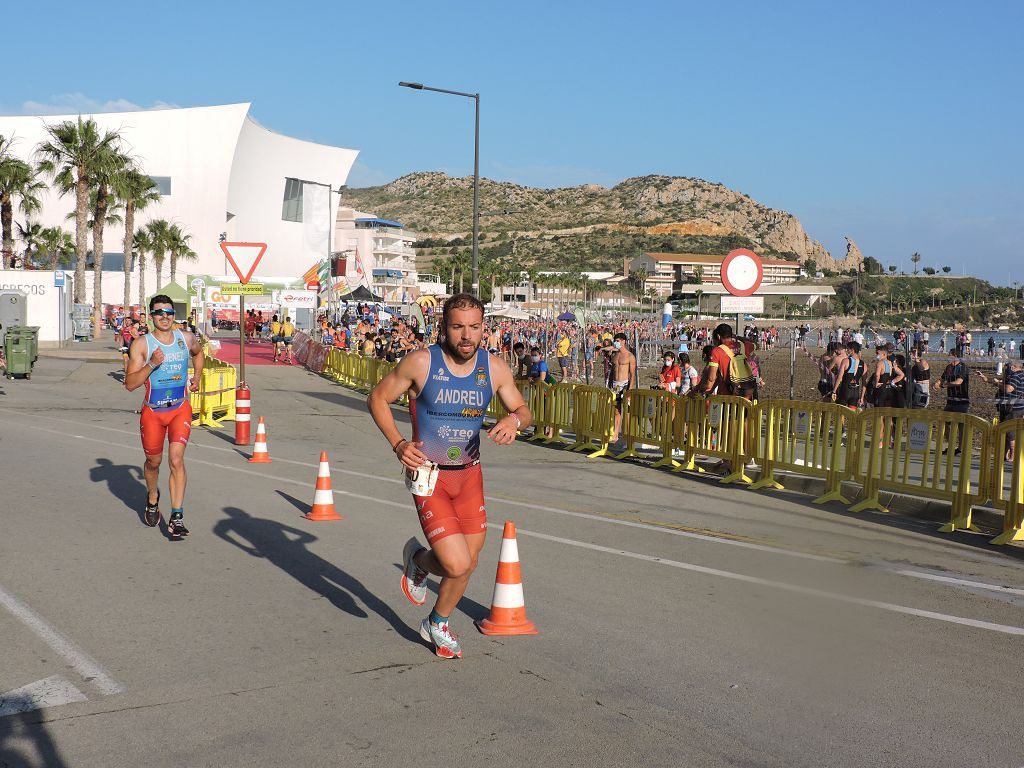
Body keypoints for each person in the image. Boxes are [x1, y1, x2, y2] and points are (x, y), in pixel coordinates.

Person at [366, 294, 532, 659]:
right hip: (430, 477)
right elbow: (377, 398)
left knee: (467, 563)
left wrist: (514, 420)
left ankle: (436, 620)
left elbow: (523, 408)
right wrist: (397, 444)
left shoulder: (495, 367)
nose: (467, 336)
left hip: (470, 477)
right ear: (444, 327)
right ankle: (421, 562)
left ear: (484, 328)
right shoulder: (422, 362)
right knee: (456, 563)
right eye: (458, 327)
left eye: (474, 327)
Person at [124, 295, 204, 538]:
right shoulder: (141, 345)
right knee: (154, 463)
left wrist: (197, 378)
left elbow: (199, 354)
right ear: (151, 315)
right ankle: (152, 495)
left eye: (169, 312)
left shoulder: (186, 338)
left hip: (180, 408)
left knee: (176, 460)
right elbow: (129, 384)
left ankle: (176, 517)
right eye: (160, 313)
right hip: (153, 412)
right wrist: (152, 365)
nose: (165, 317)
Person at [933, 349, 970, 454]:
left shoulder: (963, 367)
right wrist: (936, 383)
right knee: (944, 421)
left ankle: (961, 449)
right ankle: (951, 445)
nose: (948, 357)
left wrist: (945, 385)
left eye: (949, 355)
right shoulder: (949, 367)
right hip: (950, 400)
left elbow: (959, 382)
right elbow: (942, 378)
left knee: (961, 425)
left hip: (961, 400)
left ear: (955, 356)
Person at [609, 333, 636, 443]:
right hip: (615, 385)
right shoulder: (615, 355)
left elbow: (632, 374)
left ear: (624, 341)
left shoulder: (630, 356)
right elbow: (612, 371)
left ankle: (628, 434)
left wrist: (630, 389)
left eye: (618, 340)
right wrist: (609, 384)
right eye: (615, 340)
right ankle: (615, 434)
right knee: (616, 410)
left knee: (627, 411)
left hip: (625, 384)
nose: (616, 342)